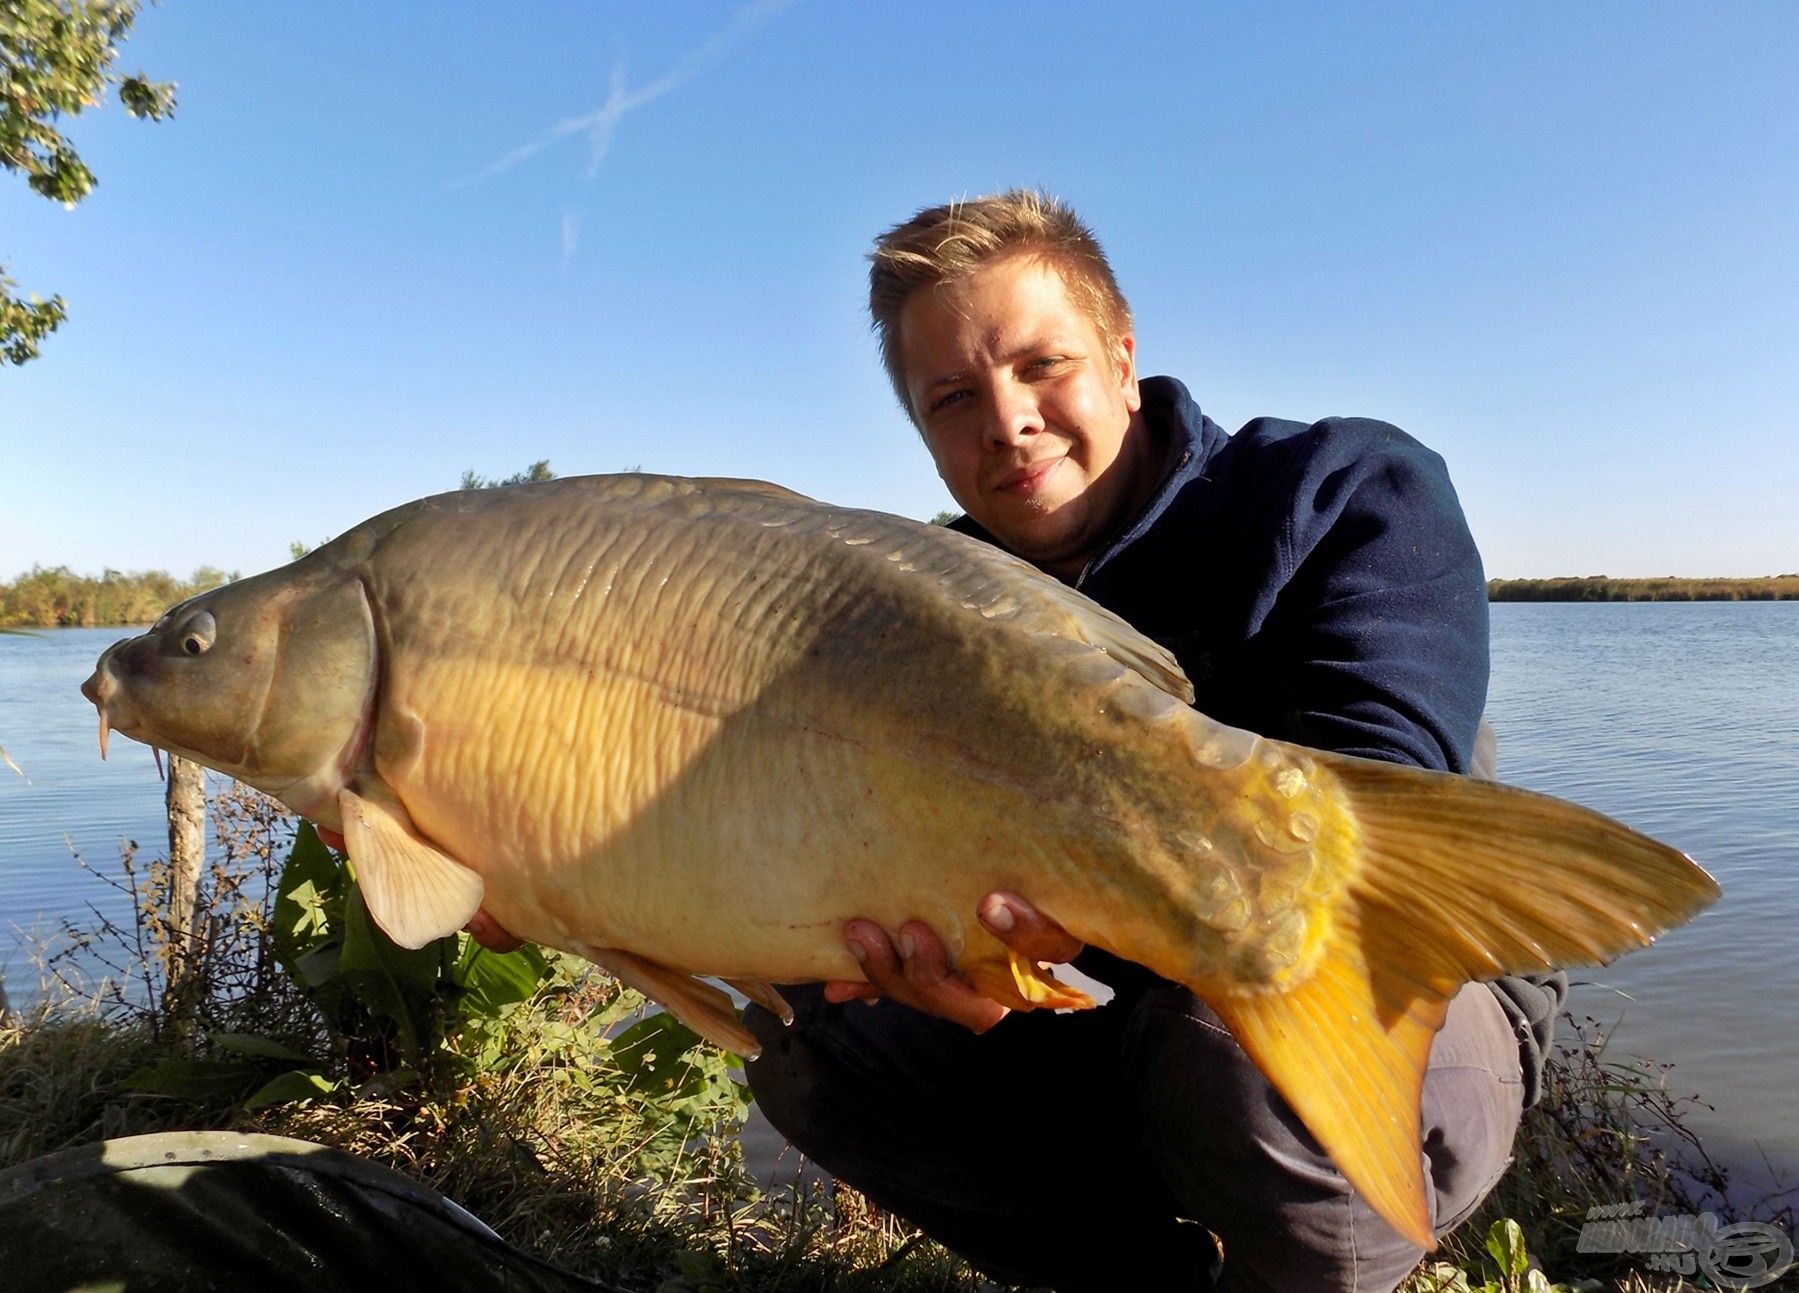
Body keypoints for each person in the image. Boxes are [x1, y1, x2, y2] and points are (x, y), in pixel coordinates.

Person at [736, 190, 1563, 1292]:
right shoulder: (907, 611)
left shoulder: (1340, 491)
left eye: (1040, 365)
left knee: (1246, 1030)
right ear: (923, 434)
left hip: (1386, 987)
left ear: (1122, 360)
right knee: (803, 1035)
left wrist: (1056, 926)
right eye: (951, 397)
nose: (1007, 420)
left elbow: (1367, 843)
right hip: (1071, 1005)